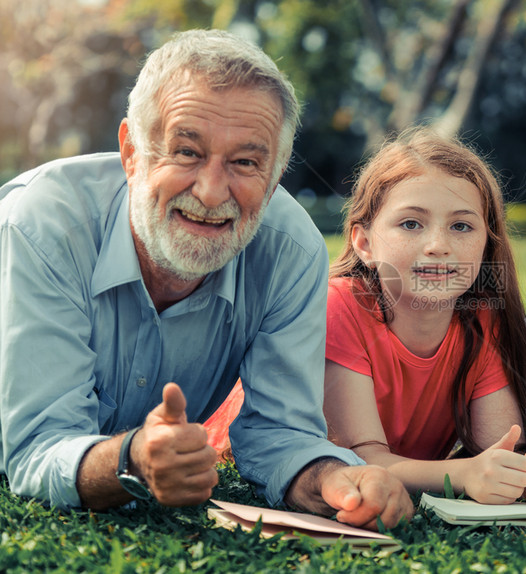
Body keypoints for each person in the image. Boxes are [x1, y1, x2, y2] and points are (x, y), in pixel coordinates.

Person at [0, 29, 412, 530]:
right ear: (132, 153)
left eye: (244, 163)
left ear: (277, 173)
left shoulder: (290, 249)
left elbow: (280, 432)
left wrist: (334, 479)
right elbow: (35, 449)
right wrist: (132, 460)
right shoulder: (44, 224)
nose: (214, 192)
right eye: (187, 152)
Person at [321, 128, 526, 509]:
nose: (438, 245)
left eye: (461, 226)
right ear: (364, 243)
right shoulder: (340, 306)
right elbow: (363, 460)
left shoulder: (481, 321)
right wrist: (465, 474)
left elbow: (501, 449)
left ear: (486, 244)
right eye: (411, 224)